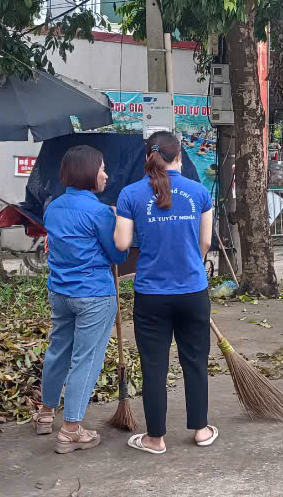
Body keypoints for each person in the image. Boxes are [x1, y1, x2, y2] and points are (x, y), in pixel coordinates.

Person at [114, 131, 217, 455]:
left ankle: (155, 438)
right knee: (195, 361)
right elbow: (205, 242)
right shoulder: (199, 192)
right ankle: (201, 430)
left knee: (154, 366)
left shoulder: (130, 194)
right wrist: (192, 264)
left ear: (148, 157)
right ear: (179, 158)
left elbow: (122, 244)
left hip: (151, 295)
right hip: (192, 291)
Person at [35, 145, 128, 454]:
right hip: (94, 295)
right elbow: (117, 255)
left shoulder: (53, 207)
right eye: (102, 169)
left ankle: (45, 413)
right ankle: (71, 429)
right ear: (89, 173)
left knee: (58, 351)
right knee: (85, 359)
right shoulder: (99, 212)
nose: (106, 175)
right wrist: (116, 221)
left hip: (60, 292)